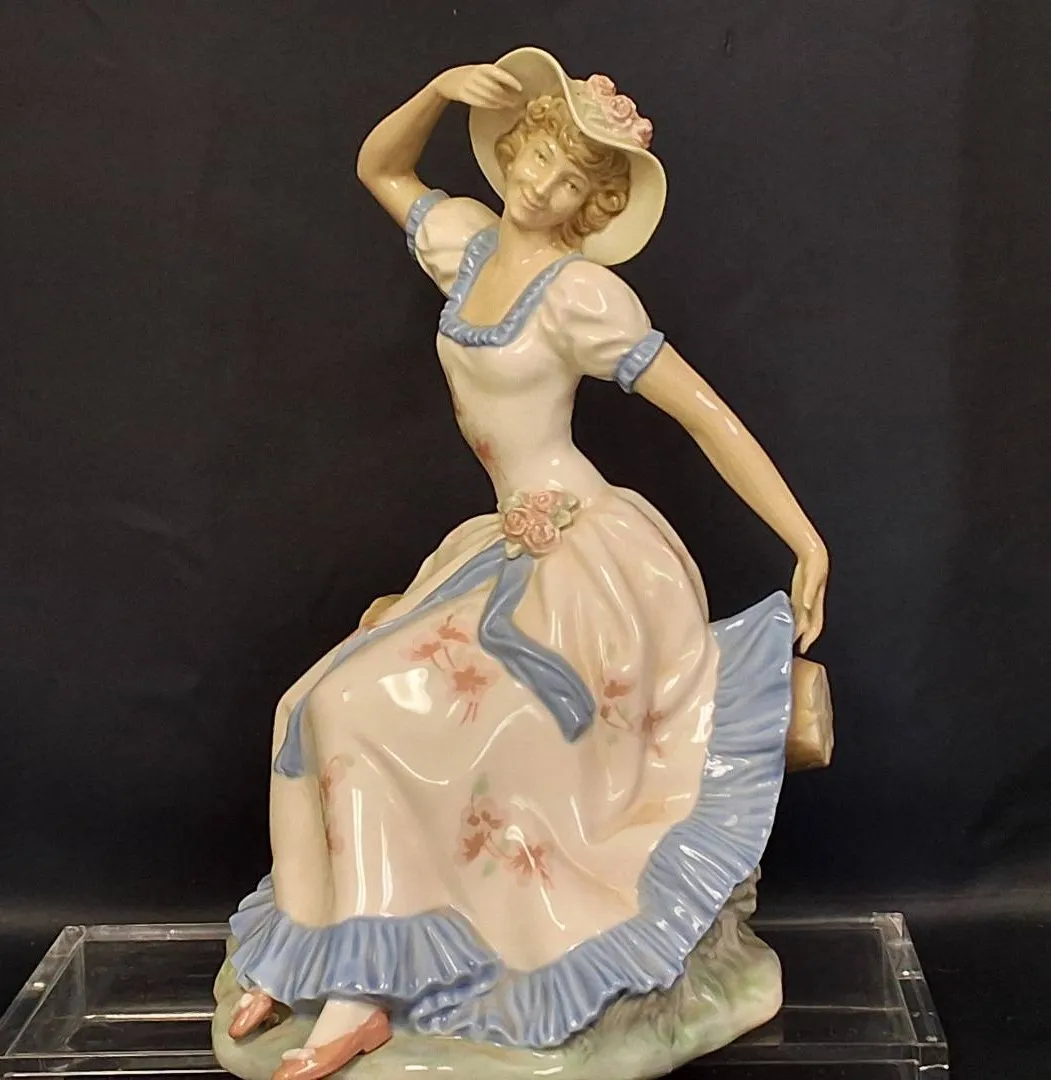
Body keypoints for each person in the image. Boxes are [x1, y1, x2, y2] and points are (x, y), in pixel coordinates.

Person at [224, 47, 829, 1080]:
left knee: (367, 710)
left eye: (568, 183)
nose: (542, 189)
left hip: (584, 560)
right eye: (538, 160)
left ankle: (365, 993)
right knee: (303, 705)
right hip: (498, 545)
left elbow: (705, 415)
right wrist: (433, 91)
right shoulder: (462, 243)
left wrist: (803, 537)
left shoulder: (583, 297)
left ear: (593, 208)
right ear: (512, 149)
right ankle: (311, 951)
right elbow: (379, 168)